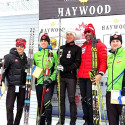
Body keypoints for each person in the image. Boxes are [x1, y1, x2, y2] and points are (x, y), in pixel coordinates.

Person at [77, 24, 107, 125]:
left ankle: (93, 122)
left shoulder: (100, 45)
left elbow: (104, 62)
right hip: (82, 77)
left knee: (91, 101)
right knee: (84, 100)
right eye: (85, 32)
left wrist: (100, 74)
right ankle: (87, 121)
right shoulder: (83, 46)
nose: (87, 34)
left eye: (89, 32)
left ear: (93, 32)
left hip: (92, 77)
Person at [57, 29, 82, 125]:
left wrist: (65, 69)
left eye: (71, 35)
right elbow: (58, 60)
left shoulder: (77, 48)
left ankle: (73, 121)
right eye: (67, 35)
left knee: (71, 99)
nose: (69, 36)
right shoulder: (61, 47)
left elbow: (77, 63)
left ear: (74, 37)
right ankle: (61, 120)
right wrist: (59, 67)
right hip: (60, 77)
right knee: (61, 99)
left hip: (71, 77)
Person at [33, 33, 57, 125]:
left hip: (49, 83)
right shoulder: (36, 54)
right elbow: (34, 67)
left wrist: (51, 79)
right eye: (42, 41)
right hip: (39, 82)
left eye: (45, 41)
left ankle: (49, 122)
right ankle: (41, 122)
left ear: (48, 42)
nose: (43, 43)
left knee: (47, 102)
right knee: (41, 104)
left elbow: (55, 69)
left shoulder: (53, 54)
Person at [2, 38, 27, 125]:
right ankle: (10, 123)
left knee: (20, 108)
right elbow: (3, 69)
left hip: (22, 87)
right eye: (18, 45)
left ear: (24, 47)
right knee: (9, 107)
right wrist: (1, 80)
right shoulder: (9, 57)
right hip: (12, 86)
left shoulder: (26, 58)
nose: (19, 47)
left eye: (21, 46)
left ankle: (16, 123)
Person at [106, 33, 125, 125]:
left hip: (122, 92)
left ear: (121, 43)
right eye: (113, 41)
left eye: (117, 41)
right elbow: (101, 67)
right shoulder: (109, 57)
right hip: (110, 92)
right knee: (112, 120)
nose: (115, 43)